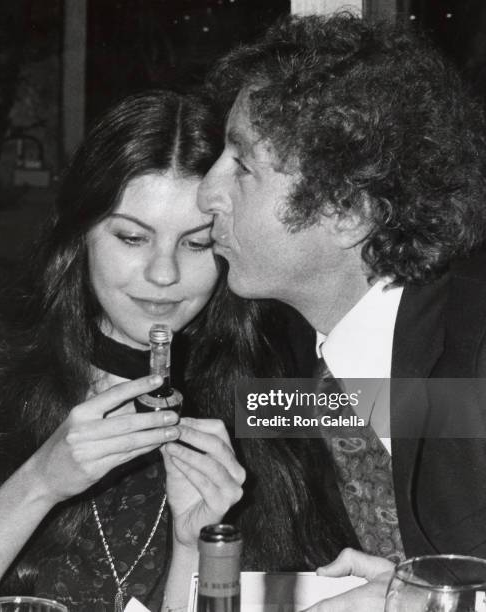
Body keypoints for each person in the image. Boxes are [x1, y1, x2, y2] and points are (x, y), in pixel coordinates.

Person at [0, 88, 350, 611]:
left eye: (197, 243)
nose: (164, 275)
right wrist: (40, 482)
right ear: (81, 235)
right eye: (132, 239)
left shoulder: (271, 389)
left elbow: (445, 409)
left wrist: (195, 546)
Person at [198, 12, 486, 612]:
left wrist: (440, 601)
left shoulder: (476, 348)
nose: (207, 192)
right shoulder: (294, 368)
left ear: (347, 212)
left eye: (242, 165)